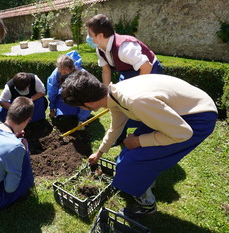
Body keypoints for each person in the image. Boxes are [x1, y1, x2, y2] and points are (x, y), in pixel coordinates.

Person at [60, 71, 217, 218]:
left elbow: (182, 133)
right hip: (178, 110)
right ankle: (143, 181)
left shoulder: (134, 101)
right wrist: (100, 152)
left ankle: (146, 206)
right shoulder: (114, 93)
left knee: (134, 160)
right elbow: (116, 127)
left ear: (88, 103)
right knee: (128, 153)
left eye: (80, 107)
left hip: (196, 118)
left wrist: (139, 141)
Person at [85, 14, 164, 86]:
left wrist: (137, 89)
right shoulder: (100, 49)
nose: (88, 37)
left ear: (100, 36)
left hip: (151, 70)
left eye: (90, 34)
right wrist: (106, 94)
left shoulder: (124, 48)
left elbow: (146, 67)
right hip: (129, 72)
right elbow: (106, 70)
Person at [47, 51, 91, 125]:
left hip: (79, 98)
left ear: (72, 68)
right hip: (63, 96)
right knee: (63, 116)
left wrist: (82, 120)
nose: (62, 74)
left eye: (65, 72)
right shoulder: (56, 73)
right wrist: (52, 107)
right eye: (60, 72)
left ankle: (80, 117)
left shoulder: (82, 75)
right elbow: (52, 90)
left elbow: (87, 98)